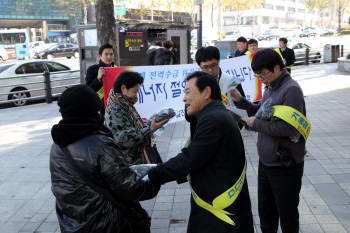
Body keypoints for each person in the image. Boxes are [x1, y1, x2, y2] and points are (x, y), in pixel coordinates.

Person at [147, 72, 254, 233]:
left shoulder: (213, 120)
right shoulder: (215, 115)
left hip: (220, 216)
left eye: (188, 92)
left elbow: (190, 158)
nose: (184, 98)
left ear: (206, 92)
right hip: (220, 207)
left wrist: (151, 175)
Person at [50, 85, 160, 233]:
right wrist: (156, 179)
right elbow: (130, 188)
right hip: (105, 224)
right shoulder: (100, 145)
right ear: (89, 111)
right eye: (97, 109)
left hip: (71, 223)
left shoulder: (57, 143)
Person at [230, 49, 308, 233]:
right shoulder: (272, 86)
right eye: (257, 75)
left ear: (276, 67)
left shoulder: (291, 90)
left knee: (287, 215)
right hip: (267, 163)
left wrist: (256, 124)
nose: (260, 78)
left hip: (285, 165)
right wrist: (242, 102)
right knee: (266, 213)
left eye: (263, 73)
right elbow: (263, 112)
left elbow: (290, 128)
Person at [104, 71, 168, 165]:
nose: (136, 95)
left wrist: (152, 121)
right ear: (123, 88)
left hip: (136, 158)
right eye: (135, 91)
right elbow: (124, 139)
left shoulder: (124, 104)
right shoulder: (115, 109)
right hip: (129, 163)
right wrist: (150, 129)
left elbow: (135, 127)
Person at [85, 43, 115, 117]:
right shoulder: (92, 69)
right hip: (99, 108)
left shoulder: (116, 69)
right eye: (106, 54)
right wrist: (98, 78)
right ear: (100, 56)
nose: (109, 57)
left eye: (111, 54)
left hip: (115, 107)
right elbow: (88, 89)